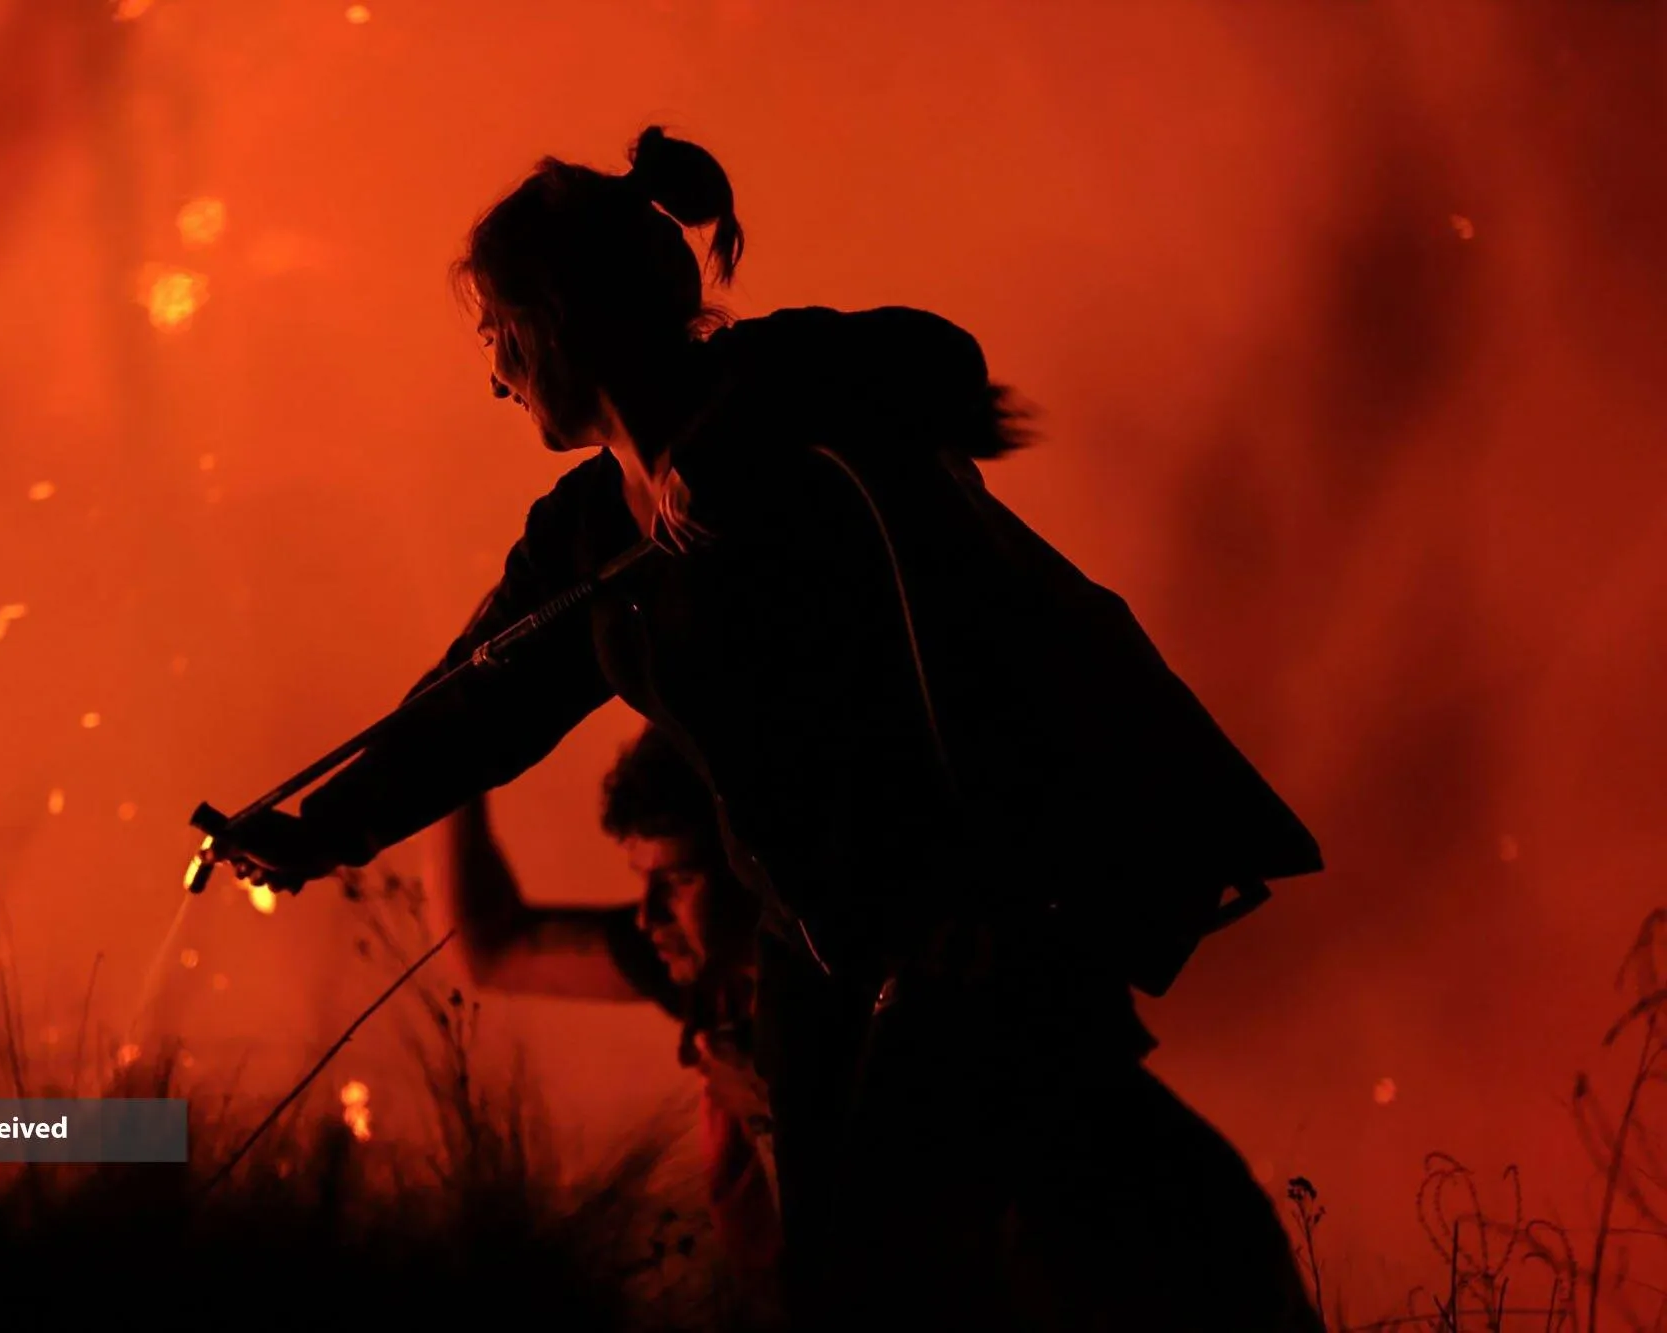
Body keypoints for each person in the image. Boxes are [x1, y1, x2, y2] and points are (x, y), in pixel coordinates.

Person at [219, 125, 1327, 1328]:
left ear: (558, 319)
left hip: (976, 905)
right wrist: (321, 828)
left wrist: (734, 435)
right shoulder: (590, 533)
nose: (493, 374)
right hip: (818, 947)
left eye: (497, 333)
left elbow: (938, 360)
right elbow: (475, 703)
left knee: (969, 1241)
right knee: (869, 1267)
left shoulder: (788, 389)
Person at [426, 725, 782, 1299]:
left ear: (756, 866)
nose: (648, 917)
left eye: (680, 879)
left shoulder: (871, 997)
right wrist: (454, 754)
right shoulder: (708, 976)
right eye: (644, 879)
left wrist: (770, 1113)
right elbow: (490, 950)